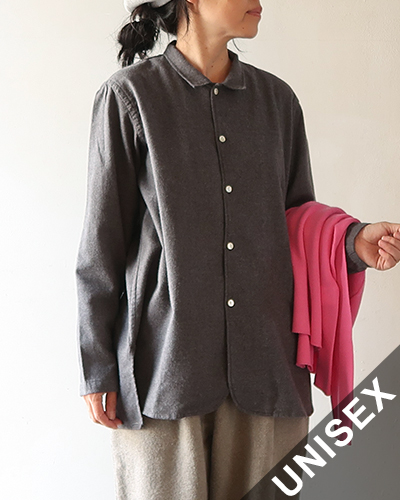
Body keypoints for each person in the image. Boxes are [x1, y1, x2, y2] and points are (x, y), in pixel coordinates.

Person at [75, 1, 400, 498]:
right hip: (165, 369)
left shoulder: (278, 102)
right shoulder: (130, 97)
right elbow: (102, 245)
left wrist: (354, 241)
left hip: (268, 364)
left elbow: (299, 224)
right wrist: (97, 366)